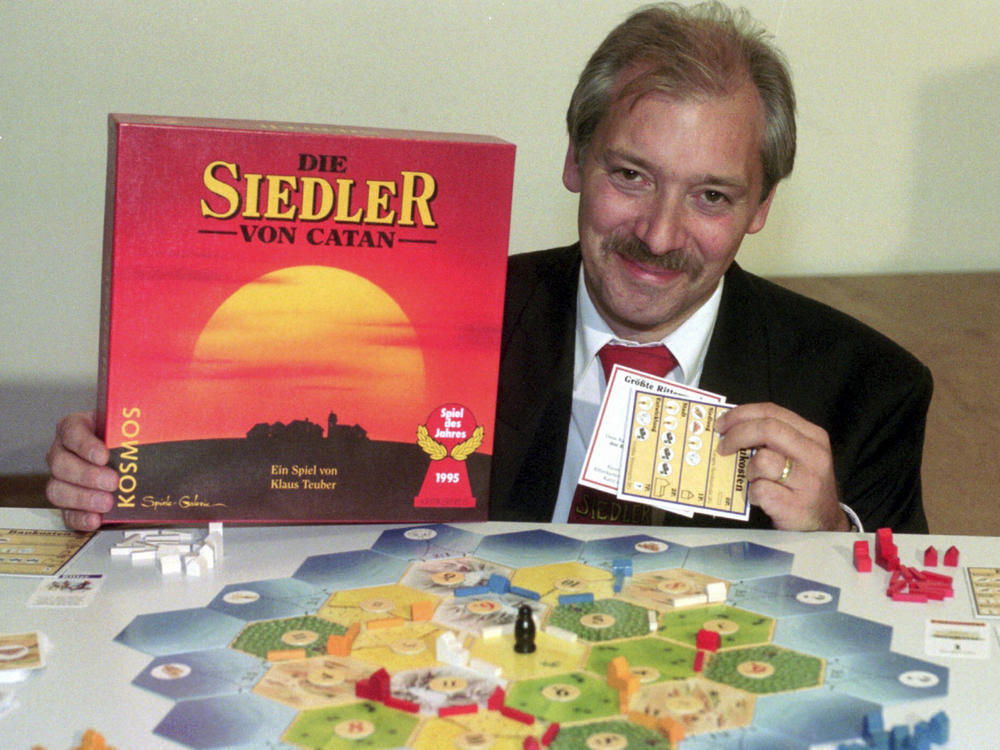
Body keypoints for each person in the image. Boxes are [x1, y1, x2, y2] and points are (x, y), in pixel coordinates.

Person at [45, 2, 931, 534]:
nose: (660, 236)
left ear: (761, 209)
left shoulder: (867, 390)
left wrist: (831, 539)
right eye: (631, 176)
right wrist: (128, 488)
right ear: (576, 163)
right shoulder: (441, 326)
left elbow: (903, 626)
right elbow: (280, 490)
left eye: (711, 197)